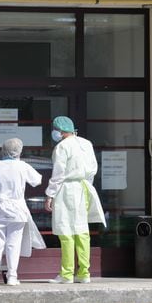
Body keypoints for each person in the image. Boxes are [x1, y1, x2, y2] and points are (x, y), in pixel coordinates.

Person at [0, 138, 46, 286]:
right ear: (19, 151)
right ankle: (12, 276)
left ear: (3, 150)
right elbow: (37, 180)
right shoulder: (23, 166)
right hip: (17, 209)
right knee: (13, 244)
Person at [45, 116, 106, 284]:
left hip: (66, 189)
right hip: (84, 187)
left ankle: (66, 274)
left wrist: (50, 195)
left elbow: (58, 174)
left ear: (60, 131)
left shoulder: (62, 147)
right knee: (82, 231)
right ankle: (84, 273)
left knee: (66, 231)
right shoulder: (86, 143)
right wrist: (87, 186)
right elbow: (93, 168)